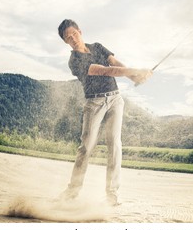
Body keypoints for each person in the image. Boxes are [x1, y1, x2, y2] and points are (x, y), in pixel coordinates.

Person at [57, 19, 152, 206]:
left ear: (80, 32)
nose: (73, 39)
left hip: (115, 100)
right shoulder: (74, 61)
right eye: (68, 38)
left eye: (74, 34)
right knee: (86, 147)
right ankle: (72, 192)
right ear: (66, 42)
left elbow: (115, 62)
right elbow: (104, 71)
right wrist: (135, 71)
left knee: (115, 145)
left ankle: (111, 195)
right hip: (95, 102)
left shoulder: (98, 47)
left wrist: (135, 76)